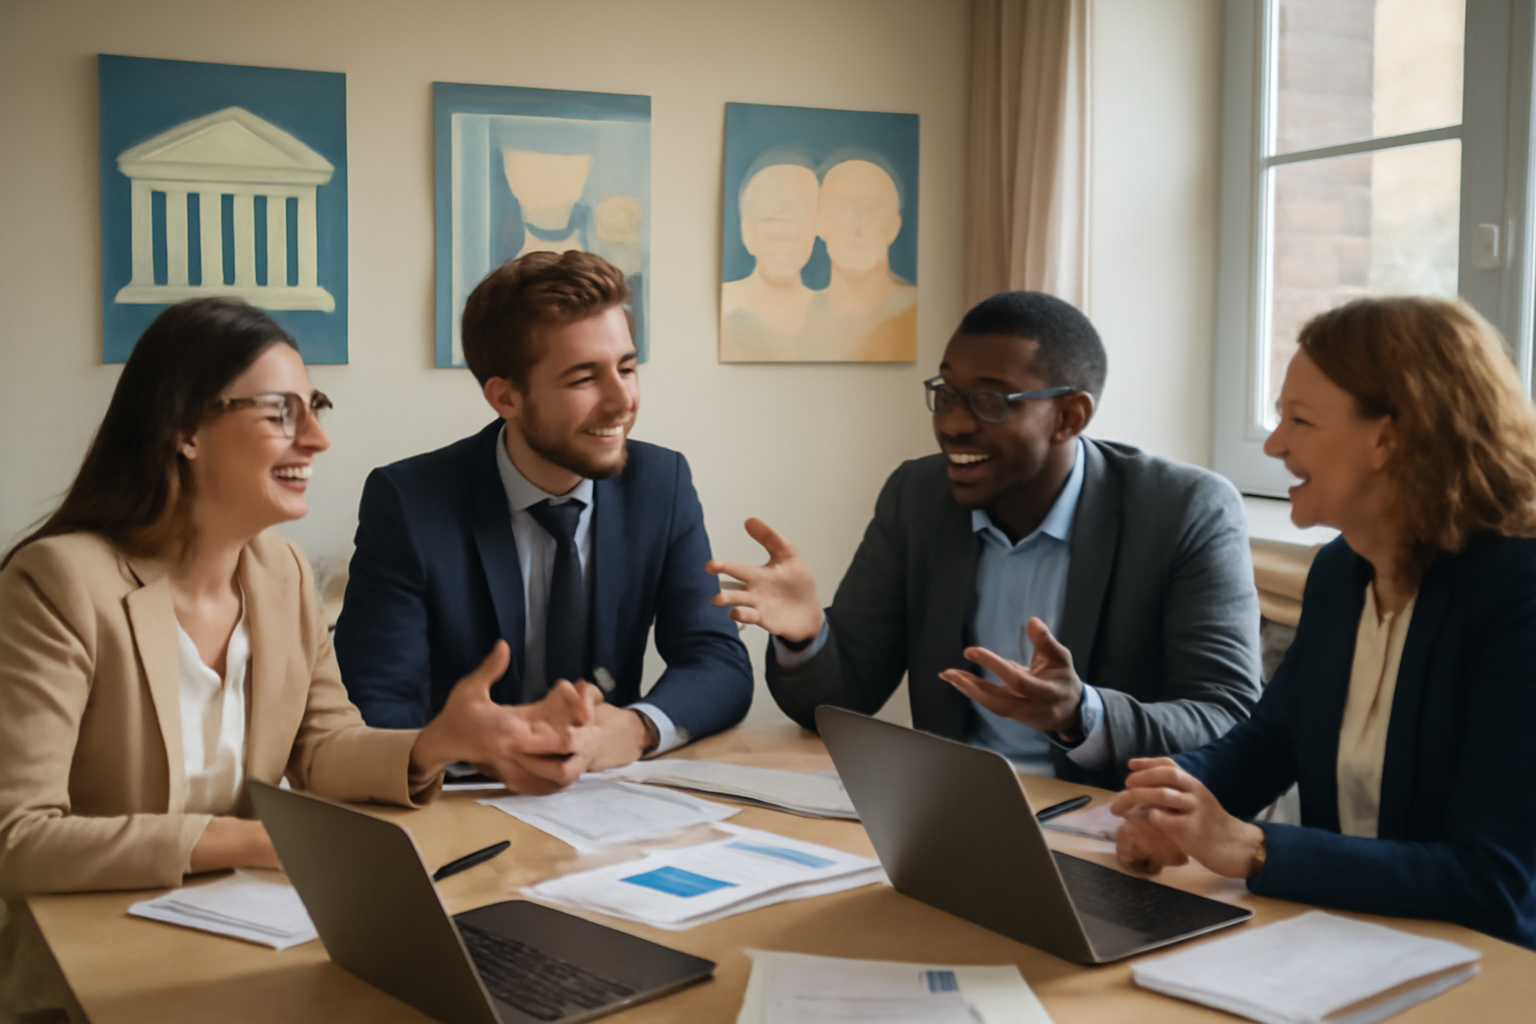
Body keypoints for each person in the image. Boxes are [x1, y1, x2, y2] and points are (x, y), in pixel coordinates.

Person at [0, 299, 568, 1019]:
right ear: (183, 430)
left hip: (247, 937)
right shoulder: (59, 582)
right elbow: (19, 838)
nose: (317, 439)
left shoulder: (283, 573)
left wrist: (435, 744)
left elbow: (323, 746)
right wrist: (249, 840)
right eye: (280, 413)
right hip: (91, 969)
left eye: (315, 408)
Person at [1112, 297, 1536, 949]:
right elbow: (1269, 743)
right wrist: (1173, 796)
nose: (1275, 444)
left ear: (1389, 438)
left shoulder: (1518, 592)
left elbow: (1495, 882)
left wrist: (1251, 847)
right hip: (1344, 942)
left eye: (1300, 420)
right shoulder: (1342, 570)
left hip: (1490, 969)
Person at [711, 290, 1262, 787]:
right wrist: (806, 637)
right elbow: (841, 701)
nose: (953, 424)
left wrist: (1083, 714)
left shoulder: (1184, 510)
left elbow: (1226, 716)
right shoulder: (917, 497)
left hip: (1108, 819)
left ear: (1069, 417)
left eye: (989, 401)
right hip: (955, 811)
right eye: (948, 393)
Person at [336, 250, 752, 792]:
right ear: (505, 396)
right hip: (458, 802)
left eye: (627, 368)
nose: (622, 401)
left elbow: (717, 660)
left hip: (610, 799)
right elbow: (371, 703)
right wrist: (473, 750)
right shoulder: (408, 503)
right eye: (584, 378)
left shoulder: (661, 484)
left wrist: (636, 728)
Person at [720, 161, 821, 360]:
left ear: (815, 228)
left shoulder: (827, 311)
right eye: (772, 222)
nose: (785, 236)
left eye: (797, 222)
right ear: (748, 230)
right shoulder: (728, 304)